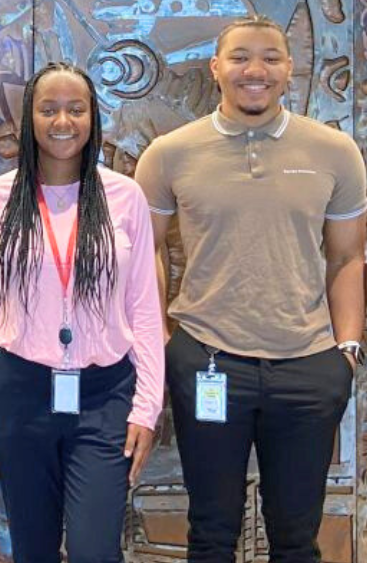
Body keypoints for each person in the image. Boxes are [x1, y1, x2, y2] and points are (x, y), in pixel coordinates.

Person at [135, 14, 367, 562]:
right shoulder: (170, 154)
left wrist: (347, 352)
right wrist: (167, 345)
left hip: (308, 365)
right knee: (212, 533)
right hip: (210, 361)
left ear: (289, 70)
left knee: (295, 538)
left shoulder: (335, 152)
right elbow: (144, 253)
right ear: (216, 68)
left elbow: (349, 257)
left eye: (270, 57)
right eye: (240, 57)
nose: (254, 70)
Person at [0, 62, 164, 563]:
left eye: (76, 109)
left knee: (96, 549)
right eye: (48, 109)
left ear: (93, 117)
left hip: (104, 394)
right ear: (28, 118)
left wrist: (147, 407)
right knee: (33, 547)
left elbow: (143, 309)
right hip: (20, 389)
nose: (62, 121)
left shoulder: (124, 195)